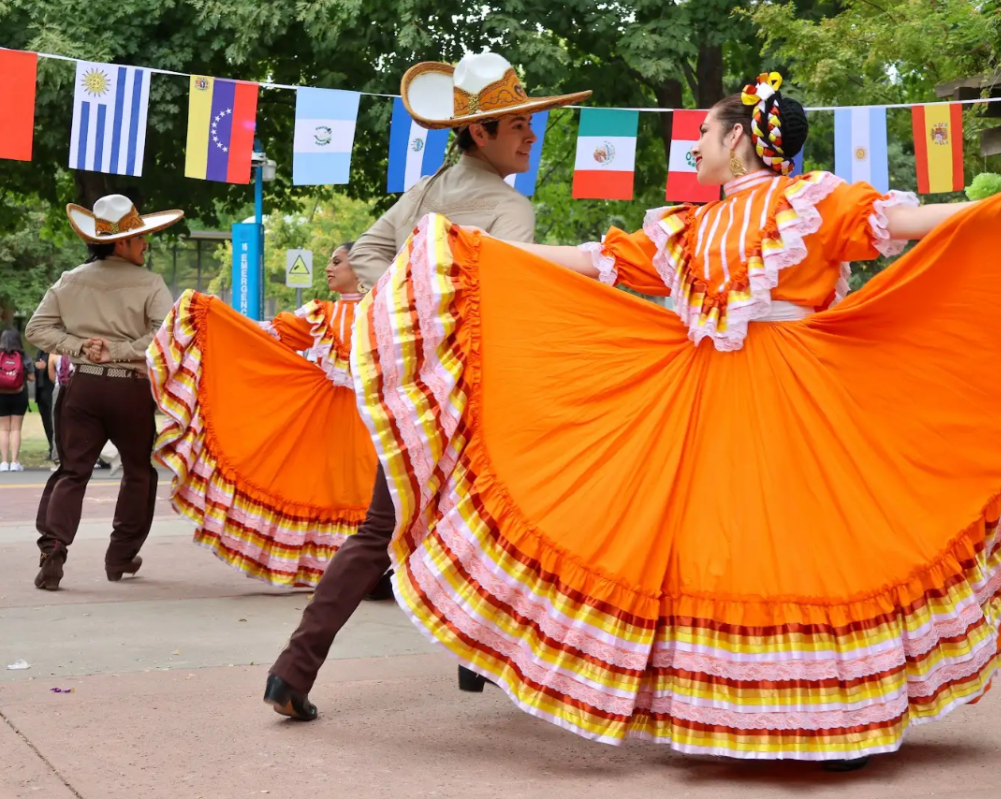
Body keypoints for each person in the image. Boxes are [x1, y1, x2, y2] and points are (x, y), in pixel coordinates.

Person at [346, 71, 1001, 767]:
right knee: (768, 540)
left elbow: (902, 223)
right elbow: (592, 262)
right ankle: (789, 708)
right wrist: (472, 251)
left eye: (705, 137)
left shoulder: (798, 205)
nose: (696, 148)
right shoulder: (695, 224)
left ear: (741, 140)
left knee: (768, 542)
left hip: (783, 394)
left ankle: (791, 708)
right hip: (737, 397)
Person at [261, 51, 589, 722]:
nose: (531, 135)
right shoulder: (506, 208)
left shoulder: (426, 193)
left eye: (529, 123)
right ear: (478, 133)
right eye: (519, 125)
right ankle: (477, 661)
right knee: (493, 522)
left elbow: (365, 256)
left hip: (409, 390)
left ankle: (298, 669)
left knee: (395, 528)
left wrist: (408, 305)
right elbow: (507, 306)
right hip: (471, 398)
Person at [148, 242, 378, 588]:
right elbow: (266, 333)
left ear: (360, 269)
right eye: (330, 261)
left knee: (365, 491)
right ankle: (343, 571)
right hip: (328, 418)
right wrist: (215, 317)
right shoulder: (322, 314)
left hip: (370, 417)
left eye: (337, 261)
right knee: (323, 487)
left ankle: (372, 572)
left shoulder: (386, 313)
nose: (329, 268)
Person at [24, 195, 180, 591]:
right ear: (122, 242)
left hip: (84, 386)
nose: (146, 243)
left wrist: (79, 345)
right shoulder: (151, 284)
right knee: (138, 472)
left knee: (72, 472)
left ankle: (53, 550)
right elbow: (167, 337)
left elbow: (36, 330)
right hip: (130, 390)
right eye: (141, 237)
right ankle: (120, 556)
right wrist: (122, 350)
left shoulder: (69, 280)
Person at [0, 328, 35, 472]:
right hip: (19, 395)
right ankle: (15, 462)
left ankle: (3, 463)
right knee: (15, 429)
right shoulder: (23, 355)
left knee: (3, 429)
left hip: (1, 395)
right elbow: (32, 378)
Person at [32, 348, 55, 463]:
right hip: (40, 392)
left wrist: (46, 366)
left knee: (54, 422)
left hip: (51, 390)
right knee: (46, 423)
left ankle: (56, 450)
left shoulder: (55, 350)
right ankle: (51, 448)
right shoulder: (40, 351)